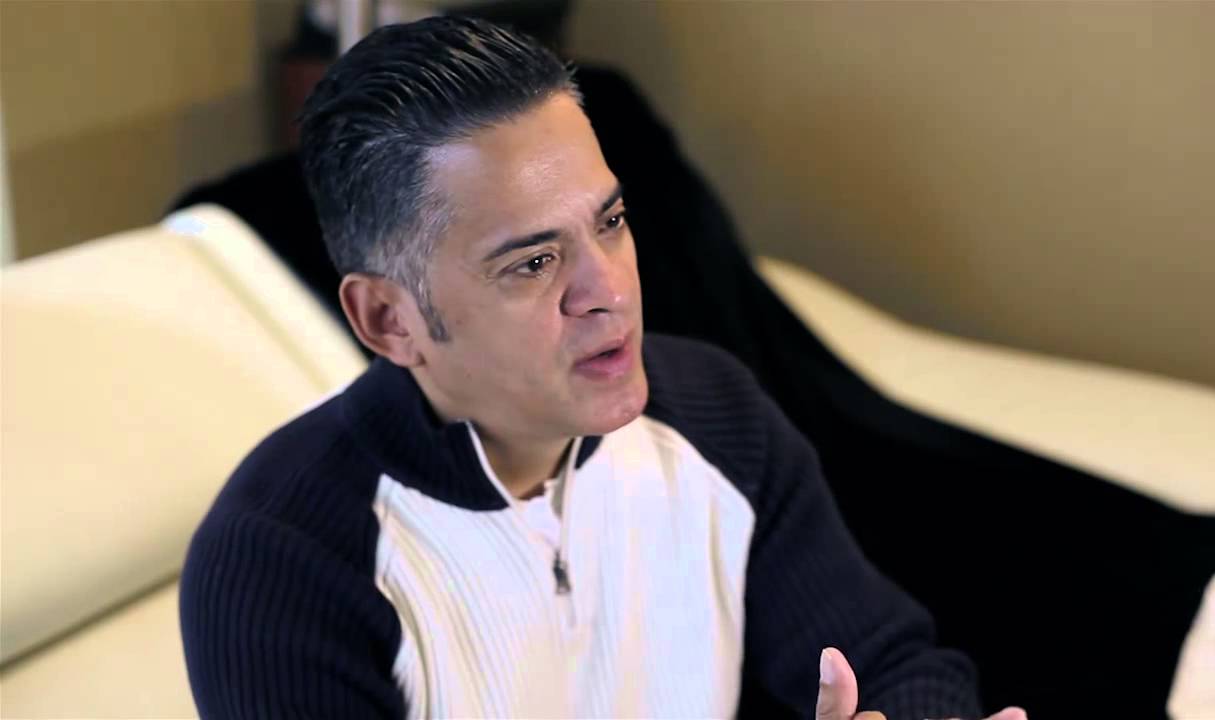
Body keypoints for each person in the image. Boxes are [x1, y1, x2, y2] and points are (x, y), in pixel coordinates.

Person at [179, 16, 1025, 720]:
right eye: (533, 262)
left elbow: (893, 663)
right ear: (388, 320)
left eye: (610, 222)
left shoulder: (715, 416)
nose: (609, 291)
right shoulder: (280, 565)